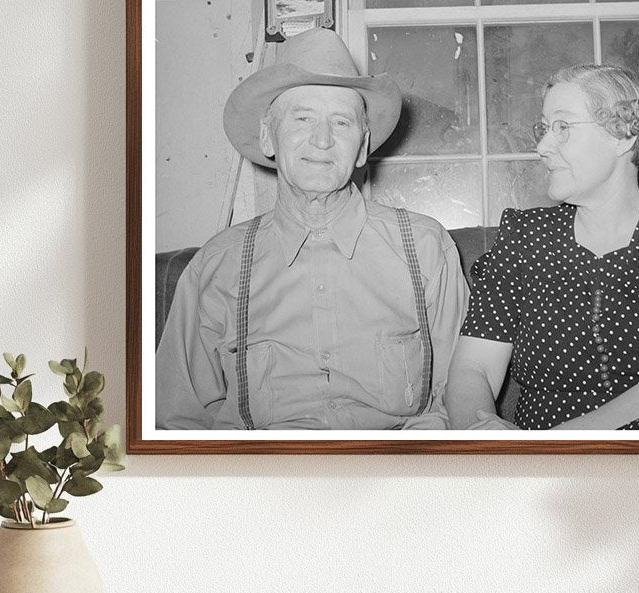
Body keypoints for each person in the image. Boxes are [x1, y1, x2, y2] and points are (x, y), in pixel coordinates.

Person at [156, 28, 468, 430]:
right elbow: (178, 421)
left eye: (341, 123)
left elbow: (459, 401)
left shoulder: (426, 249)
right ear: (269, 136)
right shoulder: (216, 267)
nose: (322, 140)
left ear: (362, 146)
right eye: (303, 118)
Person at [445, 63, 639, 432]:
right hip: (538, 467)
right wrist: (488, 441)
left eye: (563, 127)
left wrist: (550, 450)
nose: (542, 147)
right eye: (544, 129)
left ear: (623, 135)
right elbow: (473, 369)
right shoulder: (524, 239)